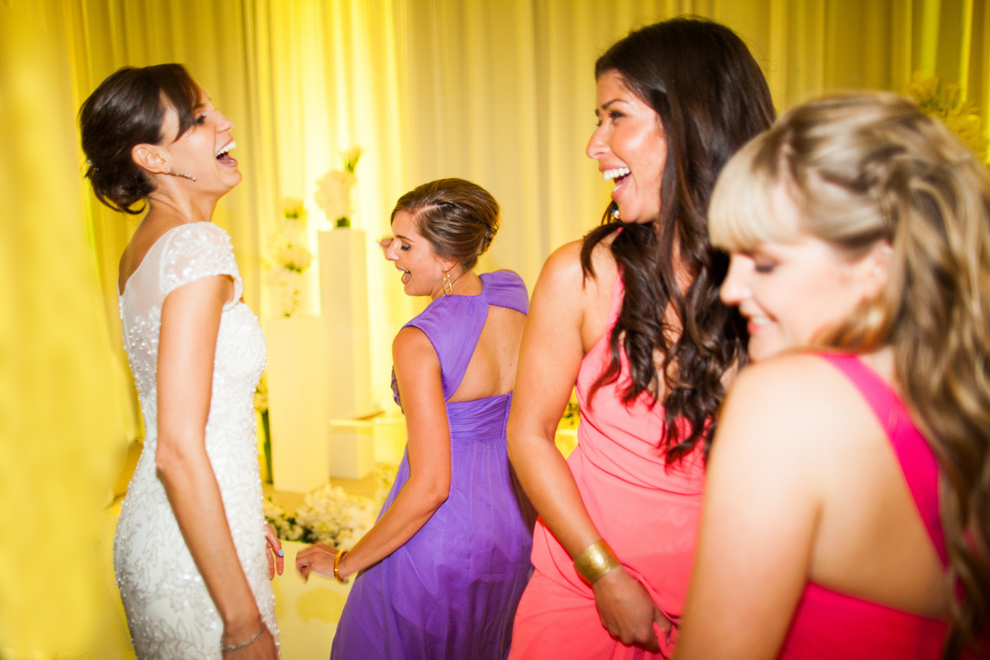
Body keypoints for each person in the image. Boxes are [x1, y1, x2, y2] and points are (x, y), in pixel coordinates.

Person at [675, 93, 990, 659]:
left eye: (765, 262)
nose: (730, 290)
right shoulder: (963, 399)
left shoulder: (786, 404)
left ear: (878, 264)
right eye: (731, 258)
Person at [507, 18, 775, 659]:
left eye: (615, 116)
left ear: (689, 121)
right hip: (583, 597)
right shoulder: (581, 273)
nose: (595, 144)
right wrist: (604, 572)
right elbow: (529, 435)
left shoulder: (773, 281)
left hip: (733, 606)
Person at [80, 64, 282, 659]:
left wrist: (246, 516)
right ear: (155, 159)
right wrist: (242, 623)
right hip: (190, 554)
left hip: (181, 525)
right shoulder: (197, 247)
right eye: (198, 119)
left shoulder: (145, 248)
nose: (225, 123)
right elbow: (177, 446)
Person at [295, 178, 534, 659]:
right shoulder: (511, 293)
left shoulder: (418, 340)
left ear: (447, 257)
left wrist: (345, 563)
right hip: (515, 523)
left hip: (438, 540)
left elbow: (431, 486)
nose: (389, 255)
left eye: (405, 245)